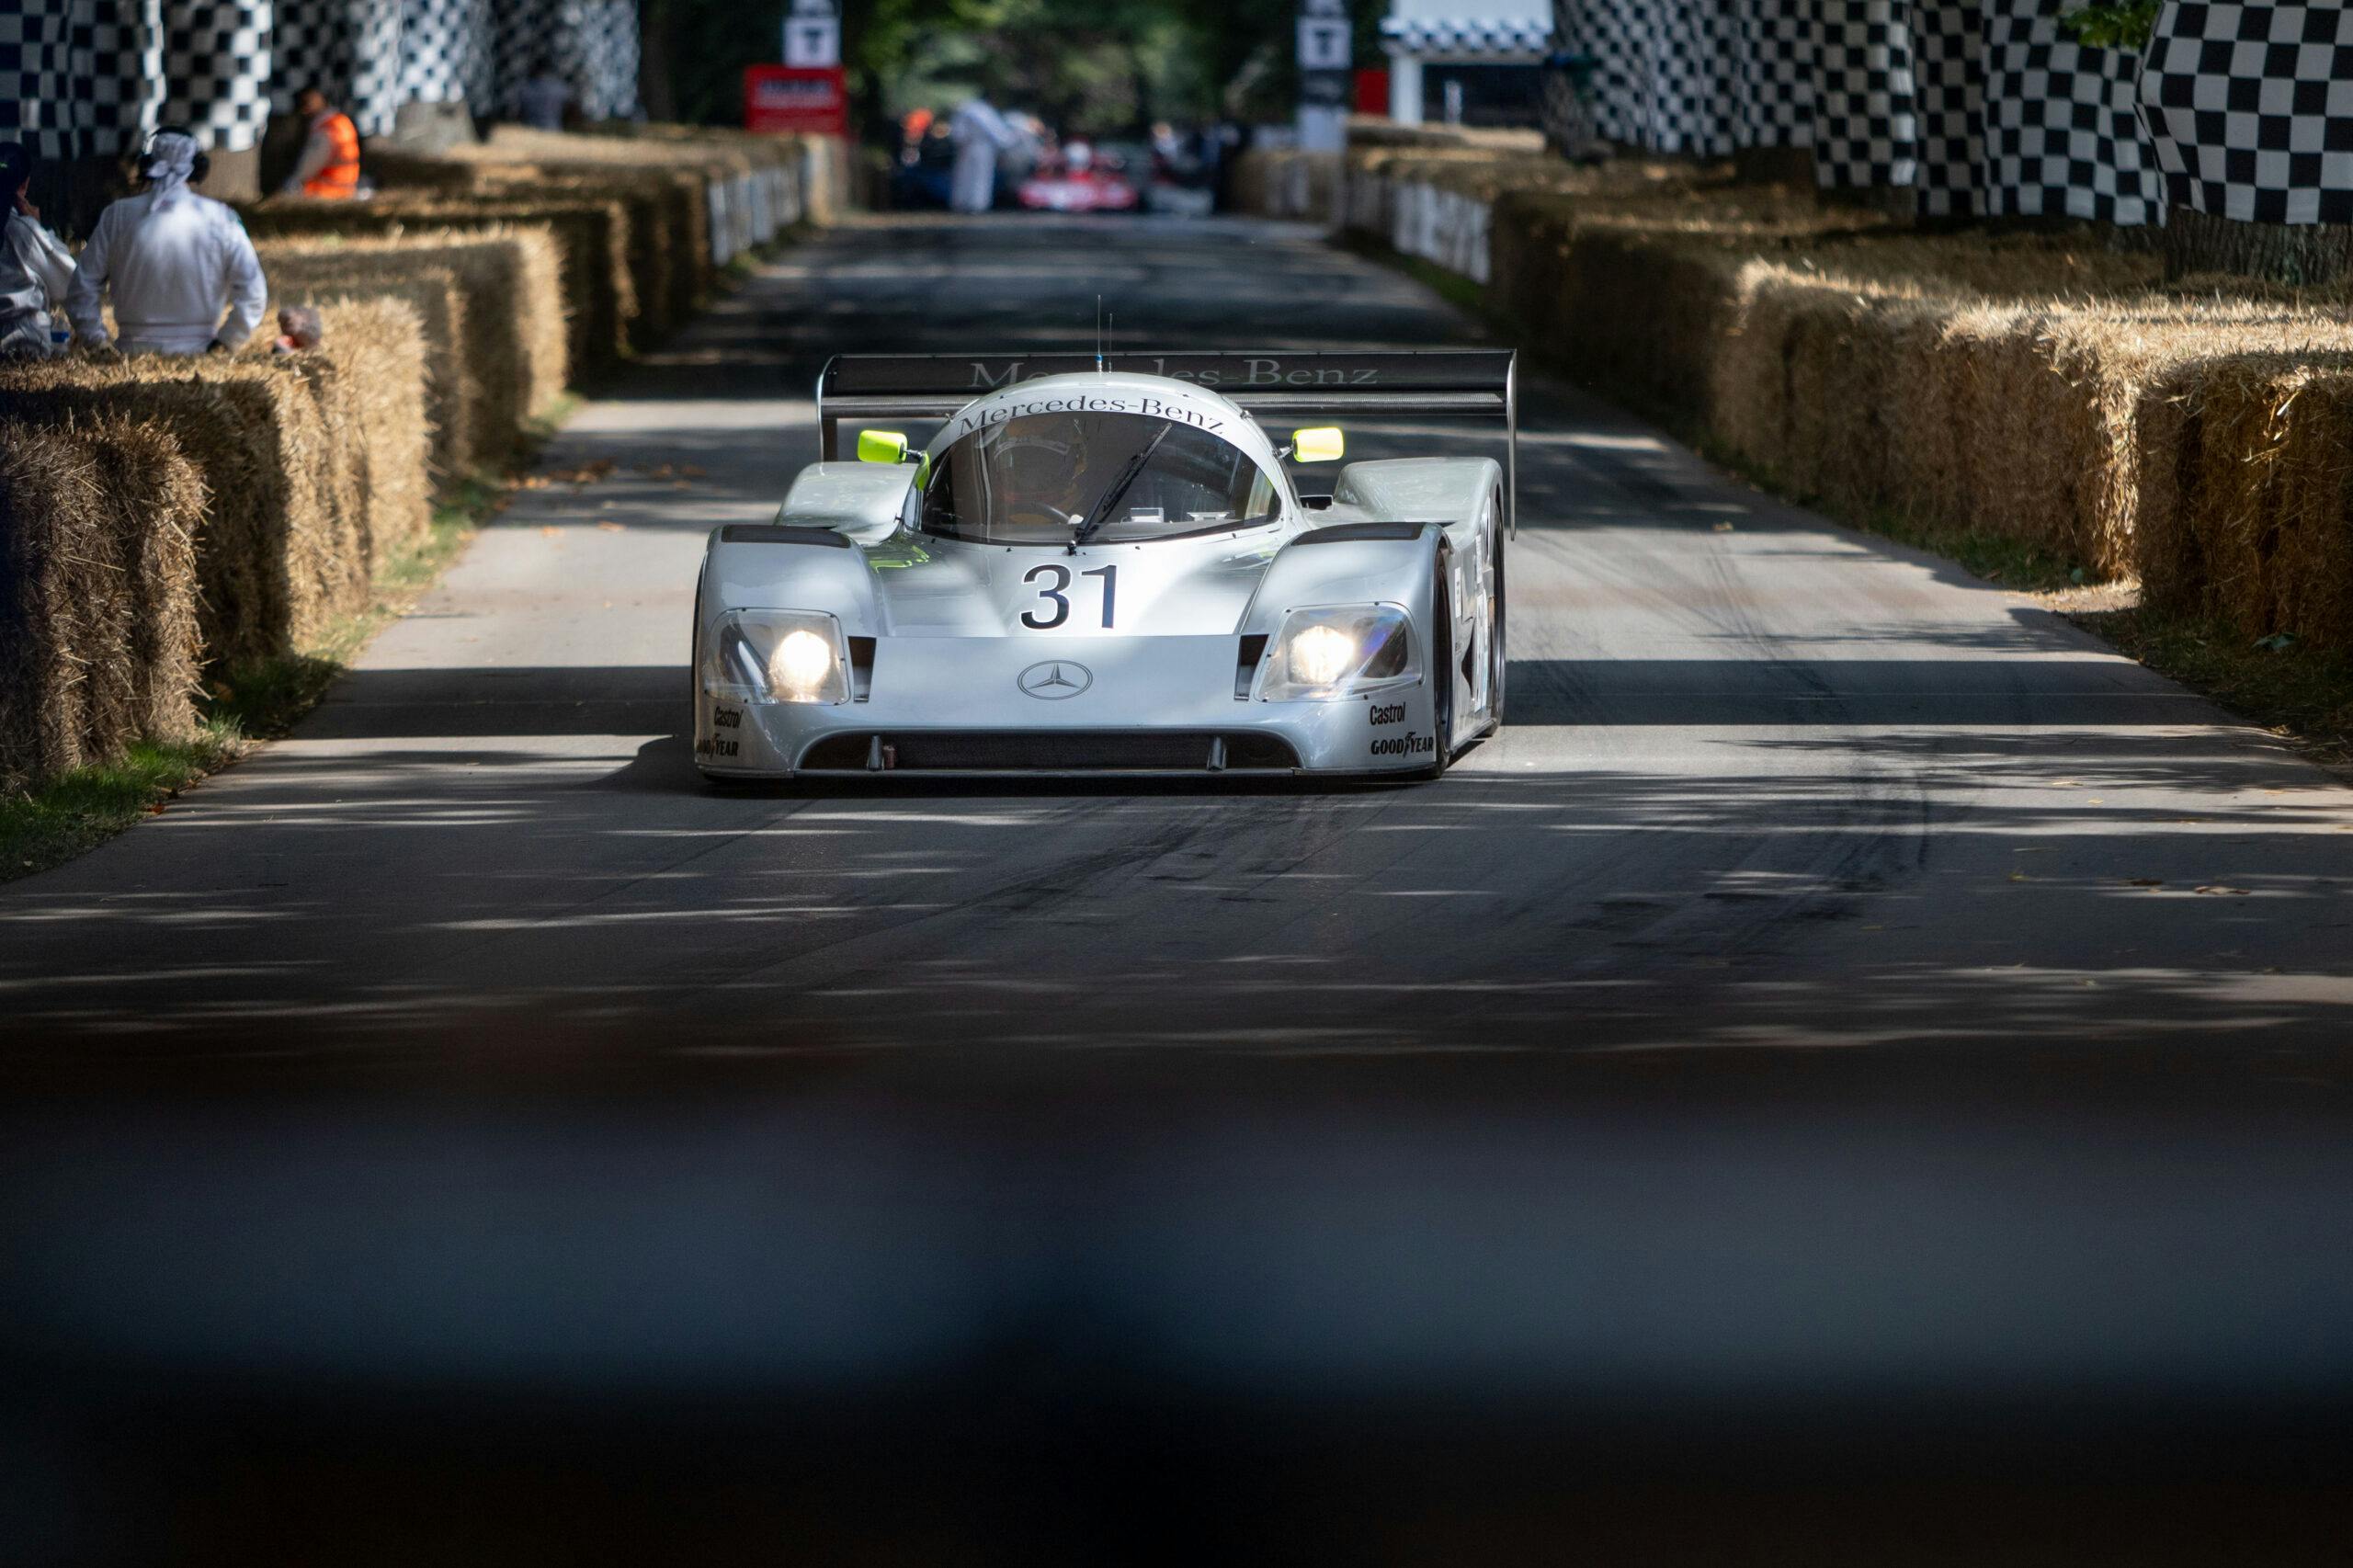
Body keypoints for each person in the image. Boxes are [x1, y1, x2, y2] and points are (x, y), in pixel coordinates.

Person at [67, 129, 267, 358]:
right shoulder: (221, 217)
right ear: (198, 168)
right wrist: (227, 342)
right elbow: (254, 292)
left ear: (145, 165)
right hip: (200, 352)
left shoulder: (117, 215)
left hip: (132, 352)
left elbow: (82, 286)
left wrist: (96, 341)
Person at [0, 142, 77, 358]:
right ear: (24, 185)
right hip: (20, 344)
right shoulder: (22, 231)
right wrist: (40, 230)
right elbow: (70, 283)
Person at [279, 86, 361, 199]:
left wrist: (292, 180)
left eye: (310, 99)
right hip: (344, 191)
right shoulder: (341, 121)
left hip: (325, 193)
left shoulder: (326, 129)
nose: (306, 106)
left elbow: (308, 166)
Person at [949, 91, 1021, 214]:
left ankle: (961, 202)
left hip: (967, 146)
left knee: (963, 175)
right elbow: (997, 132)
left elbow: (957, 132)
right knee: (980, 176)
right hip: (982, 146)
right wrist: (1010, 139)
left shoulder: (966, 109)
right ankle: (976, 204)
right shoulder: (984, 112)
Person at [517, 60, 572, 132]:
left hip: (529, 129)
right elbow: (570, 109)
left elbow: (519, 112)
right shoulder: (560, 87)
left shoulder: (526, 87)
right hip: (553, 129)